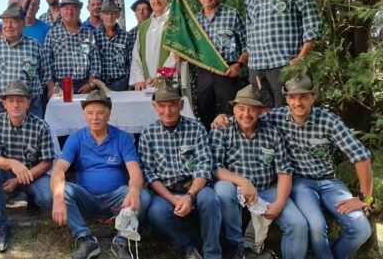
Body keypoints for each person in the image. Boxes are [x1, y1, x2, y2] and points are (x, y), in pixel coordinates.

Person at [212, 74, 373, 259]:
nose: (298, 102)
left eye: (304, 96)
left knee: (361, 229)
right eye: (293, 97)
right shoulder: (272, 118)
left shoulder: (326, 120)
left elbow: (360, 155)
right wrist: (221, 117)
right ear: (286, 98)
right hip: (301, 183)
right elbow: (245, 118)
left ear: (314, 97)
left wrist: (364, 197)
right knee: (316, 226)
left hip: (329, 181)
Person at [51, 90, 151, 259]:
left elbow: (135, 171)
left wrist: (133, 190)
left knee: (144, 196)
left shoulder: (122, 138)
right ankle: (87, 240)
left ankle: (121, 242)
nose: (95, 117)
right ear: (85, 115)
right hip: (87, 198)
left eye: (100, 113)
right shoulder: (76, 137)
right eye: (90, 113)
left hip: (117, 200)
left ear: (109, 115)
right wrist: (58, 198)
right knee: (64, 190)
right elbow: (59, 170)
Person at [211, 85, 308, 259]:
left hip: (266, 188)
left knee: (298, 225)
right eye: (241, 108)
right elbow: (214, 167)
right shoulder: (222, 129)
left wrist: (278, 204)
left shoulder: (272, 133)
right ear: (234, 108)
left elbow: (284, 172)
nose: (246, 114)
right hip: (234, 187)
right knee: (223, 190)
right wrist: (243, 182)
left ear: (261, 111)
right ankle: (237, 249)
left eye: (252, 109)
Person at [140, 78, 221, 259]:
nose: (167, 111)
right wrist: (173, 199)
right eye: (162, 105)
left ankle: (212, 253)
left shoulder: (197, 128)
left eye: (172, 105)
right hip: (166, 191)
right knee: (156, 211)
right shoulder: (148, 133)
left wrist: (189, 195)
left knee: (209, 199)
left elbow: (204, 165)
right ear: (155, 107)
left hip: (194, 187)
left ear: (181, 104)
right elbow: (149, 173)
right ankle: (190, 247)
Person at [0, 80, 54, 252]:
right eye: (11, 100)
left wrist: (21, 178)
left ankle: (32, 199)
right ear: (4, 103)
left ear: (28, 102)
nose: (16, 105)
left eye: (21, 100)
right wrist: (12, 163)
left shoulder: (41, 125)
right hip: (6, 174)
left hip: (33, 175)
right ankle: (1, 224)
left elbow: (47, 162)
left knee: (48, 198)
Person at [245, 0, 321, 107]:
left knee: (288, 118)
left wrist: (301, 57)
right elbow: (249, 29)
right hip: (256, 68)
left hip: (285, 65)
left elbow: (311, 19)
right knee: (262, 120)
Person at [0, 3, 51, 118]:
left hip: (31, 107)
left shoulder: (35, 46)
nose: (9, 26)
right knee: (0, 136)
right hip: (0, 108)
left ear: (23, 24)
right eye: (5, 21)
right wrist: (0, 95)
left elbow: (45, 75)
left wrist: (30, 95)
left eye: (14, 21)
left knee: (33, 136)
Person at [194, 0, 248, 129]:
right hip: (204, 71)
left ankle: (231, 144)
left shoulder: (232, 14)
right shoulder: (194, 21)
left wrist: (239, 64)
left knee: (230, 111)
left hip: (227, 70)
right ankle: (209, 146)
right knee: (204, 110)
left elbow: (248, 43)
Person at [129, 0, 189, 96]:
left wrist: (160, 77)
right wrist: (139, 79)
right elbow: (136, 56)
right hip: (147, 84)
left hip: (169, 82)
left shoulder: (175, 21)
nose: (156, 1)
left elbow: (177, 55)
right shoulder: (144, 26)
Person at [44, 0, 101, 93]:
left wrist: (90, 84)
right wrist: (50, 87)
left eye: (74, 8)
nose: (70, 12)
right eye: (66, 8)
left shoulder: (88, 33)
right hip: (60, 86)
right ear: (60, 12)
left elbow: (95, 61)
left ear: (79, 12)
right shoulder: (52, 33)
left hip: (84, 85)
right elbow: (46, 62)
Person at [94, 0, 132, 91]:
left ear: (118, 15)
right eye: (106, 13)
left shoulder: (126, 36)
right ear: (101, 15)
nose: (109, 17)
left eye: (113, 13)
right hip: (100, 85)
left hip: (122, 83)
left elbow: (131, 62)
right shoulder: (93, 36)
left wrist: (131, 84)